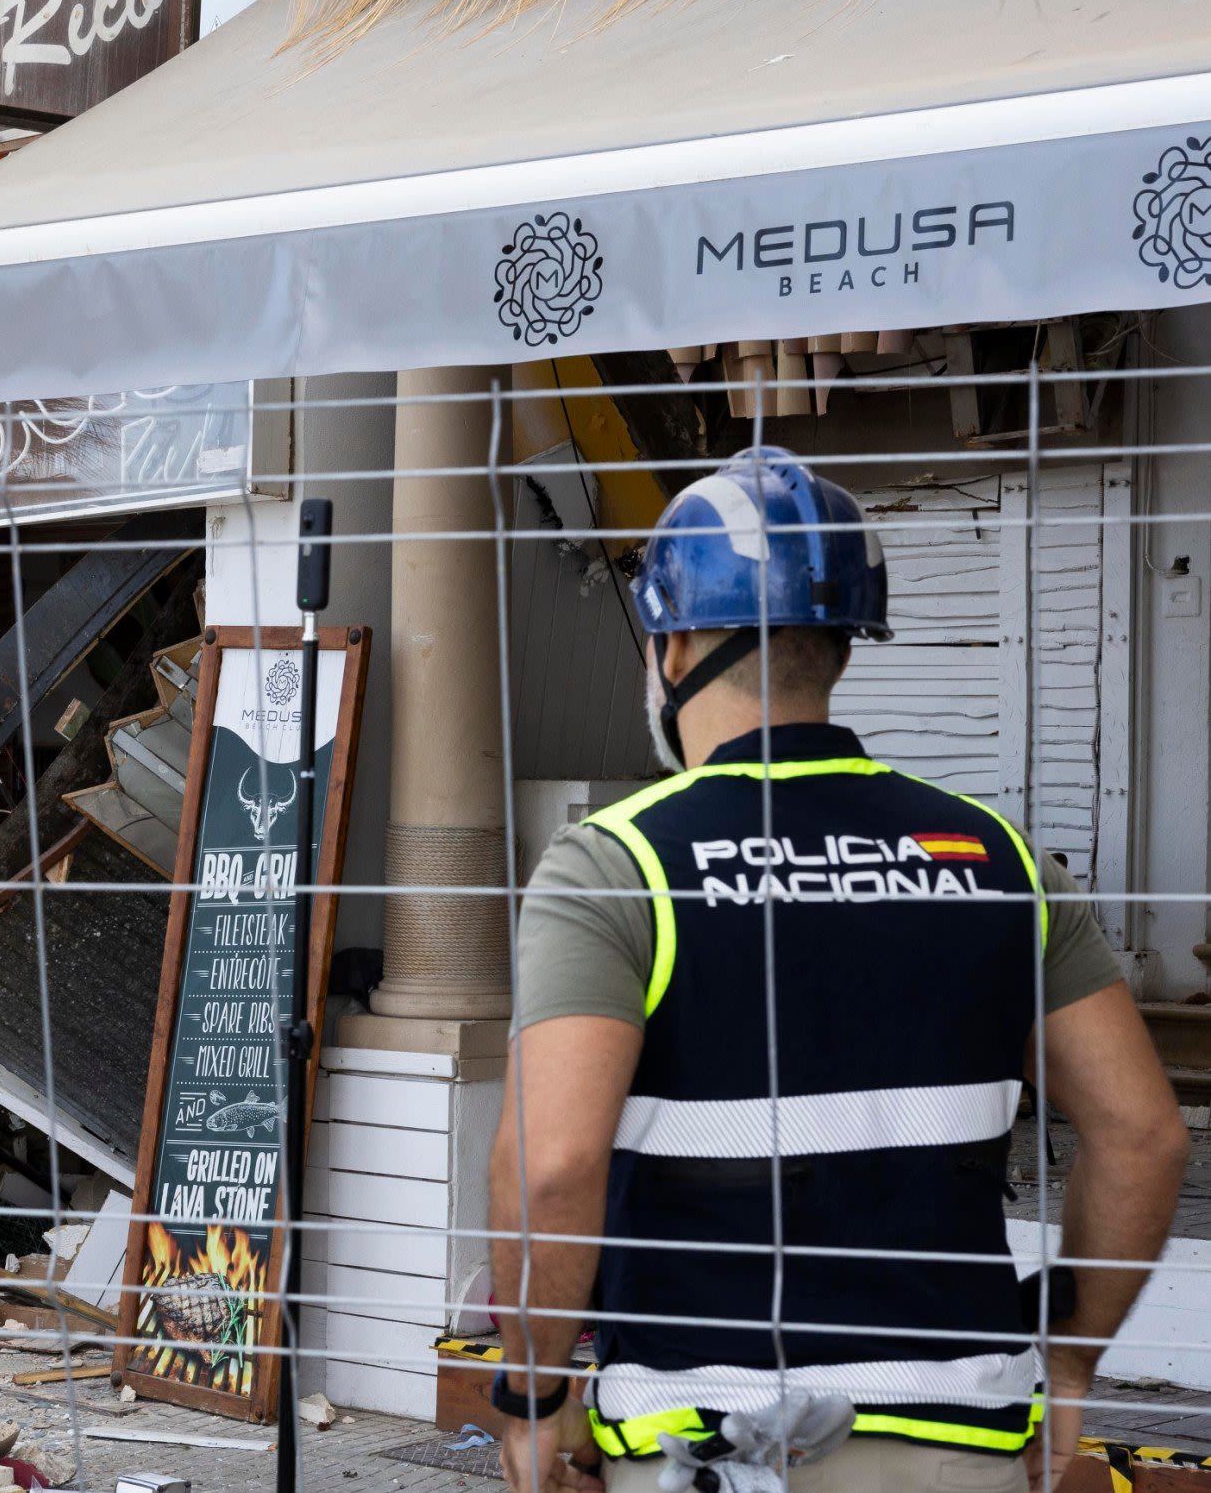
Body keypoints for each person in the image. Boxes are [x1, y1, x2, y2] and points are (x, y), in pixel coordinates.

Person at [489, 447, 1189, 1493]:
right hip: (964, 1437)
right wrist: (1072, 1352)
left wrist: (534, 1394)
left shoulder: (616, 860)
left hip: (706, 1447)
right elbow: (1143, 1133)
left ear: (671, 649)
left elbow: (550, 1166)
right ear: (843, 650)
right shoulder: (997, 856)